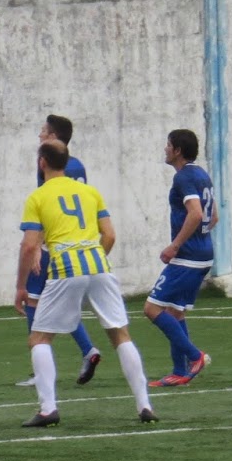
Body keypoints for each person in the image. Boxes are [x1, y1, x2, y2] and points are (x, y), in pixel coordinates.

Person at [14, 140, 157, 427]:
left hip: (66, 266)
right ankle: (144, 405)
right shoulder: (90, 192)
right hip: (99, 264)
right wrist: (93, 259)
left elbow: (29, 246)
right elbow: (110, 235)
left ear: (42, 162)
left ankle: (48, 409)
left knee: (39, 339)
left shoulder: (37, 197)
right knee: (120, 334)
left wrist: (21, 286)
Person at [17, 115, 102, 388]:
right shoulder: (77, 166)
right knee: (62, 304)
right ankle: (88, 350)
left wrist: (37, 248)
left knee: (33, 301)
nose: (40, 135)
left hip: (53, 246)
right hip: (79, 248)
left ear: (53, 137)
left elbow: (47, 208)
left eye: (43, 131)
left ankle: (40, 370)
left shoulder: (49, 168)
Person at [142, 129, 218, 388]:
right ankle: (179, 372)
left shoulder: (183, 177)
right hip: (203, 254)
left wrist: (175, 245)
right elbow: (213, 216)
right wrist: (199, 239)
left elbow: (195, 213)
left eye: (168, 145)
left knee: (152, 309)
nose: (165, 149)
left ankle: (195, 357)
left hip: (187, 258)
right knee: (175, 312)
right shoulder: (202, 175)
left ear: (177, 150)